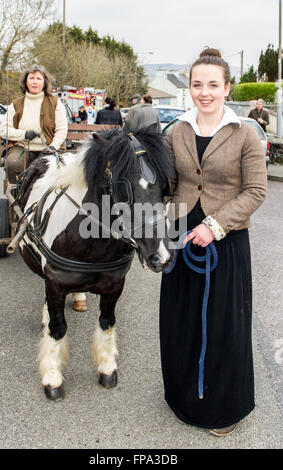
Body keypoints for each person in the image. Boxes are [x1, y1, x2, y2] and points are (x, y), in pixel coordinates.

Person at [160, 48, 267, 437]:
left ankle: (224, 409)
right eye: (197, 84)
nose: (204, 92)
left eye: (212, 84)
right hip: (181, 236)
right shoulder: (177, 131)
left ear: (226, 88)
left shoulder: (246, 134)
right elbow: (168, 186)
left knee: (224, 325)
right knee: (181, 320)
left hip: (225, 241)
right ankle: (183, 397)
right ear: (189, 87)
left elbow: (256, 191)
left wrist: (215, 225)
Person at [1, 64, 68, 184]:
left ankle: (44, 199)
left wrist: (53, 146)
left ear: (44, 82)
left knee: (45, 169)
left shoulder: (55, 103)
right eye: (31, 78)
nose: (35, 82)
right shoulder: (16, 104)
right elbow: (4, 130)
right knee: (12, 164)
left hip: (47, 148)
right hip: (22, 148)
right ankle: (20, 199)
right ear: (26, 82)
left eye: (38, 78)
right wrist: (24, 134)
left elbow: (62, 130)